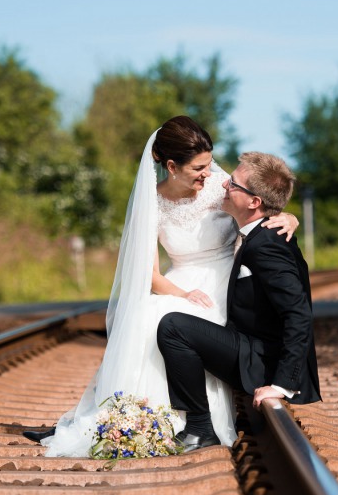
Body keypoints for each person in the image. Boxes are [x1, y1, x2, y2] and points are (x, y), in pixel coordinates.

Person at [26, 117, 298, 456]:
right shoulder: (151, 203)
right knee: (148, 315)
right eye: (199, 166)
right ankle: (132, 420)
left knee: (173, 323)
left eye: (209, 163)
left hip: (225, 283)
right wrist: (182, 294)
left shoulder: (220, 185)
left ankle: (192, 423)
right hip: (179, 283)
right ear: (171, 166)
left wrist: (289, 217)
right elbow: (149, 275)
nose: (209, 172)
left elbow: (261, 205)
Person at [156, 152, 321, 452]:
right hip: (250, 345)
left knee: (172, 326)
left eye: (232, 184)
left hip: (260, 360)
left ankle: (200, 428)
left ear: (254, 202)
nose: (223, 185)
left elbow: (298, 314)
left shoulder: (266, 245)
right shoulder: (260, 233)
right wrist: (289, 215)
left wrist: (281, 384)